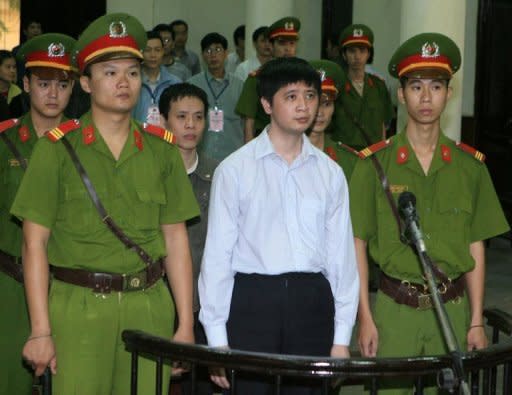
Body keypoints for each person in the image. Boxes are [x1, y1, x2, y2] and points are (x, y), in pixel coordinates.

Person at [11, 13, 199, 395]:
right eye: (110, 72)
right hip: (77, 308)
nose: (123, 82)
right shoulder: (57, 150)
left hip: (148, 305)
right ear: (85, 82)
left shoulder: (163, 151)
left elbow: (176, 240)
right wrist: (41, 329)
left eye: (131, 72)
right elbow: (34, 243)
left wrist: (184, 324)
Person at [350, 33, 510, 394]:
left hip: (451, 309)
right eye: (416, 86)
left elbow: (476, 247)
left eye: (436, 86)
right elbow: (356, 244)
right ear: (400, 94)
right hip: (394, 309)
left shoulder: (471, 168)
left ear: (449, 94)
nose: (426, 97)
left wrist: (475, 321)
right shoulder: (373, 165)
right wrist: (366, 317)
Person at [199, 57, 359, 394]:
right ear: (266, 104)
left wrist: (342, 339)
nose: (304, 106)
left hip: (312, 302)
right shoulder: (235, 170)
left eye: (311, 96)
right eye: (291, 97)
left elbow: (342, 260)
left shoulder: (330, 173)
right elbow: (217, 259)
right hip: (252, 302)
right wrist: (217, 340)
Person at [0, 32, 75, 395]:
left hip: (69, 290)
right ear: (26, 84)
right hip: (10, 288)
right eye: (43, 83)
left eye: (62, 84)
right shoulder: (5, 143)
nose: (52, 94)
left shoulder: (84, 147)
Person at [159, 82, 217, 395]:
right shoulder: (149, 170)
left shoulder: (220, 174)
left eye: (198, 117)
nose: (190, 125)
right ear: (163, 119)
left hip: (205, 305)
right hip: (158, 301)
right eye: (181, 116)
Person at [236, 16, 300, 142]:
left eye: (291, 43)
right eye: (282, 43)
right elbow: (249, 124)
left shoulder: (303, 79)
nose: (287, 49)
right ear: (271, 46)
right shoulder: (257, 79)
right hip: (266, 141)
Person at [332, 24, 394, 151]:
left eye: (362, 50)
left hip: (373, 155)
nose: (357, 56)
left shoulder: (379, 86)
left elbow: (383, 126)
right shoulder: (336, 86)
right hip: (344, 156)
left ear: (368, 54)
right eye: (352, 51)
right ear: (344, 55)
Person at [187, 32, 244, 161]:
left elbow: (246, 124)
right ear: (202, 55)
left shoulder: (239, 85)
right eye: (208, 50)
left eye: (218, 50)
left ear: (226, 53)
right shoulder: (192, 85)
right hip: (202, 155)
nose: (213, 55)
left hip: (233, 156)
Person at [307, 59, 359, 181]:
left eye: (326, 104)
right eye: (314, 104)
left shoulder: (349, 160)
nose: (320, 113)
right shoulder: (281, 156)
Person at [133, 30, 181, 124]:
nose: (153, 55)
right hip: (137, 136)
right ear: (140, 52)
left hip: (165, 136)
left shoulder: (175, 83)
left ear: (163, 51)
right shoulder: (132, 82)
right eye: (147, 50)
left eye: (157, 50)